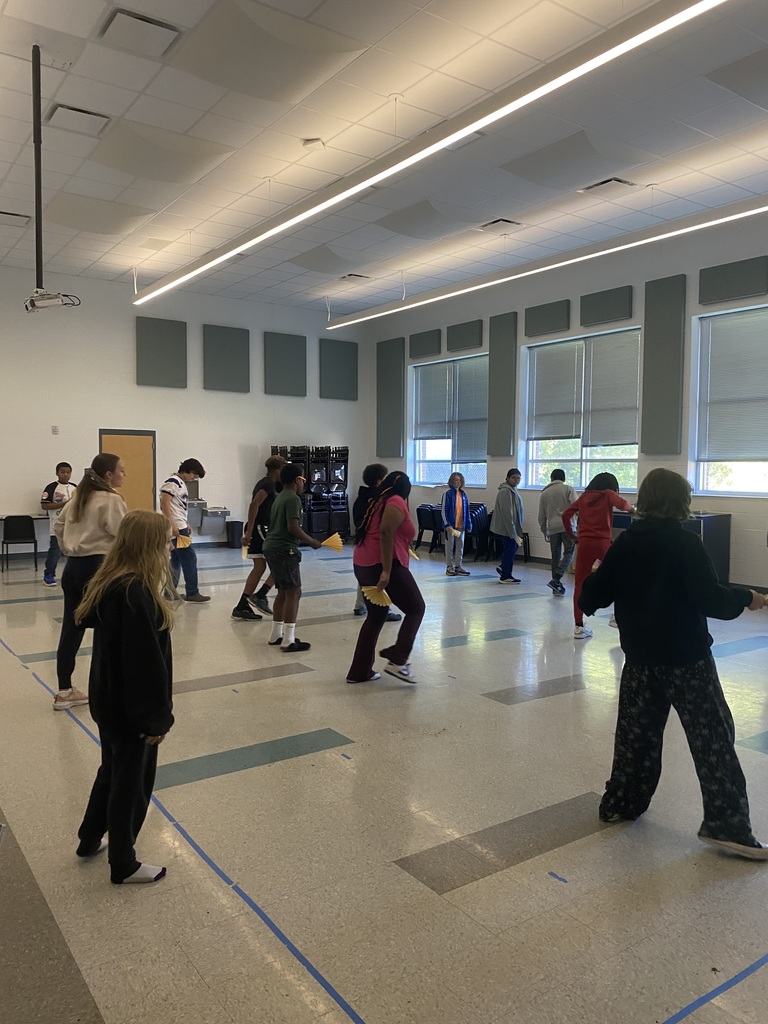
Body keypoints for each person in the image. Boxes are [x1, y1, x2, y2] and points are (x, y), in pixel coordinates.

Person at [580, 468, 768, 860]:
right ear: (678, 502)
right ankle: (727, 826)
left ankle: (620, 804)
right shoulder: (686, 544)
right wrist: (747, 598)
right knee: (713, 739)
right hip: (687, 662)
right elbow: (712, 600)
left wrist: (601, 577)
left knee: (636, 739)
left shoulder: (626, 544)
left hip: (640, 662)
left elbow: (590, 599)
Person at [74, 510, 175, 883]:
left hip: (109, 700)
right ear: (149, 545)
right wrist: (155, 720)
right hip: (132, 709)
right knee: (132, 781)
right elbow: (144, 666)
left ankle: (89, 838)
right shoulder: (136, 593)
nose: (169, 546)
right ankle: (123, 861)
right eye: (165, 540)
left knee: (111, 771)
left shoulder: (114, 582)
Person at [52, 454, 127, 710]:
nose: (124, 475)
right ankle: (107, 689)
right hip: (98, 569)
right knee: (109, 630)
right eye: (121, 471)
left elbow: (58, 527)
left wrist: (69, 548)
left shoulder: (77, 499)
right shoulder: (111, 500)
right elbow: (124, 536)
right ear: (108, 475)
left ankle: (64, 690)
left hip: (73, 568)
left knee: (71, 630)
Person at [346, 471, 425, 684]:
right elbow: (385, 532)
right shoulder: (395, 502)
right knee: (416, 608)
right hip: (382, 564)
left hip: (363, 563)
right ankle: (398, 659)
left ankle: (359, 672)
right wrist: (387, 571)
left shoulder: (379, 502)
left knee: (375, 617)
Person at [562, 472, 631, 639]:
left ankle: (579, 626)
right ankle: (616, 617)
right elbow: (623, 505)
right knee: (621, 576)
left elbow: (566, 515)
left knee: (579, 583)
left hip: (584, 543)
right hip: (602, 542)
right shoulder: (608, 494)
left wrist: (572, 536)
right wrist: (635, 510)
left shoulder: (584, 498)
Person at [262, 463, 322, 652]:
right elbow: (293, 528)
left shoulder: (280, 497)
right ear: (297, 480)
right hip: (284, 549)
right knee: (294, 593)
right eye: (303, 479)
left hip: (271, 547)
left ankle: (275, 635)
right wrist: (312, 541)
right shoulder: (293, 499)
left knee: (283, 591)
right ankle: (288, 640)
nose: (303, 483)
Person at [231, 455, 286, 621]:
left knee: (260, 567)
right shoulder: (267, 484)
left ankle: (242, 605)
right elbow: (255, 504)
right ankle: (261, 595)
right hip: (262, 529)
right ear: (278, 469)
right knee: (282, 563)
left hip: (260, 528)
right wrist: (249, 532)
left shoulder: (267, 483)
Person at [351, 463, 401, 623]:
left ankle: (360, 605)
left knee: (365, 576)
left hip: (362, 542)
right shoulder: (379, 500)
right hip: (375, 544)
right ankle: (384, 609)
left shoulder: (361, 497)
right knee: (381, 575)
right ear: (380, 481)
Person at [160, 459, 209, 603]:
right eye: (194, 474)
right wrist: (171, 524)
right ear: (187, 470)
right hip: (176, 528)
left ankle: (169, 592)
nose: (194, 478)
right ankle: (192, 592)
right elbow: (164, 502)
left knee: (176, 559)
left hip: (180, 525)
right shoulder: (173, 482)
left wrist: (185, 522)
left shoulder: (181, 484)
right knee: (189, 558)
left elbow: (179, 506)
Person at [537, 469, 576, 596]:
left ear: (551, 478)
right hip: (568, 526)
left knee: (555, 556)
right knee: (569, 552)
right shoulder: (568, 489)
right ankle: (557, 578)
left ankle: (556, 587)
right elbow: (577, 506)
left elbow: (541, 515)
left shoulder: (545, 493)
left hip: (552, 528)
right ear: (563, 478)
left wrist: (544, 530)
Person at [41, 461, 76, 586]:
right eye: (62, 472)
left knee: (73, 551)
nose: (65, 475)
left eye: (68, 472)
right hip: (57, 525)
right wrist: (64, 504)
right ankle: (49, 574)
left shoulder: (75, 488)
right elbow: (44, 506)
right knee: (55, 551)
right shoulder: (51, 488)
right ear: (57, 473)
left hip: (72, 526)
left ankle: (73, 575)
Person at [492, 468, 524, 583]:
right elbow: (507, 513)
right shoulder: (505, 491)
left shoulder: (512, 490)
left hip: (512, 527)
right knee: (510, 549)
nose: (516, 480)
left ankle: (503, 568)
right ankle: (505, 576)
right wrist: (513, 533)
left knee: (510, 549)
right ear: (508, 478)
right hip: (507, 528)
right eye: (514, 477)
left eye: (518, 478)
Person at [441, 472, 472, 577]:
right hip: (451, 526)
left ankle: (458, 565)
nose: (457, 482)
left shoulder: (463, 495)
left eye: (459, 480)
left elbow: (467, 510)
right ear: (451, 481)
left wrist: (468, 524)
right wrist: (447, 524)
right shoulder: (447, 493)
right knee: (450, 546)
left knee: (460, 546)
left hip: (461, 525)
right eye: (455, 480)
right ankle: (449, 566)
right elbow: (444, 510)